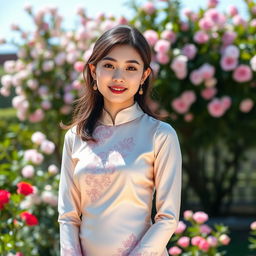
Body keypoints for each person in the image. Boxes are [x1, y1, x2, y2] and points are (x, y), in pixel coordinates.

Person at [58, 24, 182, 256]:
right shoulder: (75, 137)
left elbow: (167, 217)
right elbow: (68, 216)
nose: (118, 77)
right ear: (94, 71)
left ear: (144, 75)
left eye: (130, 68)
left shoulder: (160, 135)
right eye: (109, 65)